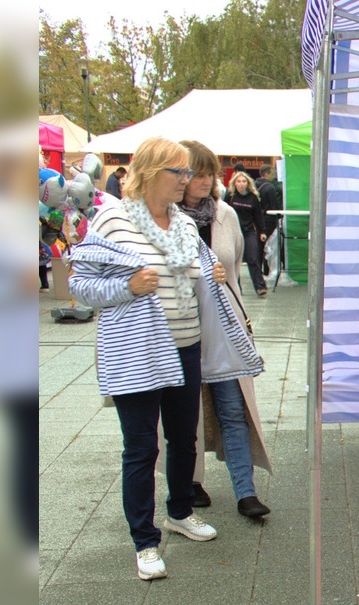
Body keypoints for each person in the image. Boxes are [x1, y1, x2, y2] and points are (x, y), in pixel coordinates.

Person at [68, 137, 229, 580]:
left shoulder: (183, 224)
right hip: (137, 351)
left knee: (184, 438)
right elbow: (81, 286)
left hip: (186, 344)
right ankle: (144, 541)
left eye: (188, 172)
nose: (186, 180)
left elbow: (199, 269)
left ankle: (179, 511)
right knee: (141, 447)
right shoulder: (112, 219)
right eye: (177, 172)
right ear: (150, 172)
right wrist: (127, 288)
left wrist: (211, 274)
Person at [177, 140, 273, 518]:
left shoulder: (226, 215)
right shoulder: (165, 220)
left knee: (233, 410)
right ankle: (190, 481)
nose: (205, 181)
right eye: (197, 174)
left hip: (224, 330)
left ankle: (245, 492)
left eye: (209, 173)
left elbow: (233, 273)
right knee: (187, 415)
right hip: (180, 331)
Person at [225, 170, 269, 297]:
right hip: (232, 231)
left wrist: (262, 231)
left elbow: (258, 216)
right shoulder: (230, 196)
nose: (241, 184)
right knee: (233, 260)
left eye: (244, 181)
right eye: (239, 181)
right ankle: (235, 287)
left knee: (253, 258)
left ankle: (260, 286)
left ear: (248, 183)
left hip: (249, 231)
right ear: (235, 183)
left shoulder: (253, 197)